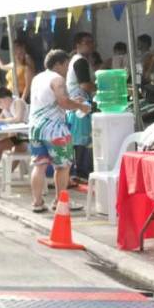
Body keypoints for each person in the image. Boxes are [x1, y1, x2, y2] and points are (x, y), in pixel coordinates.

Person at [28, 49, 91, 212]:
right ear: (58, 64)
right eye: (66, 65)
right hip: (55, 130)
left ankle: (37, 202)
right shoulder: (57, 79)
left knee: (39, 165)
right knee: (62, 166)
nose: (67, 69)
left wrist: (72, 102)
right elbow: (63, 102)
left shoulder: (38, 78)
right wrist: (80, 106)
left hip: (35, 128)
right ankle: (60, 201)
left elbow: (52, 101)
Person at [66, 32, 97, 185]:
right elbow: (85, 85)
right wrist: (100, 88)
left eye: (91, 42)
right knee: (81, 139)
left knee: (79, 139)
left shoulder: (78, 60)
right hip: (80, 105)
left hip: (77, 104)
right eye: (86, 42)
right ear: (78, 45)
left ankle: (76, 171)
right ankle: (80, 172)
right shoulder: (80, 61)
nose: (90, 45)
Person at [7, 36, 35, 103]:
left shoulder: (27, 59)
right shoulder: (14, 62)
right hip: (11, 95)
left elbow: (28, 84)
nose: (15, 50)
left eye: (17, 47)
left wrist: (22, 100)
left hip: (21, 94)